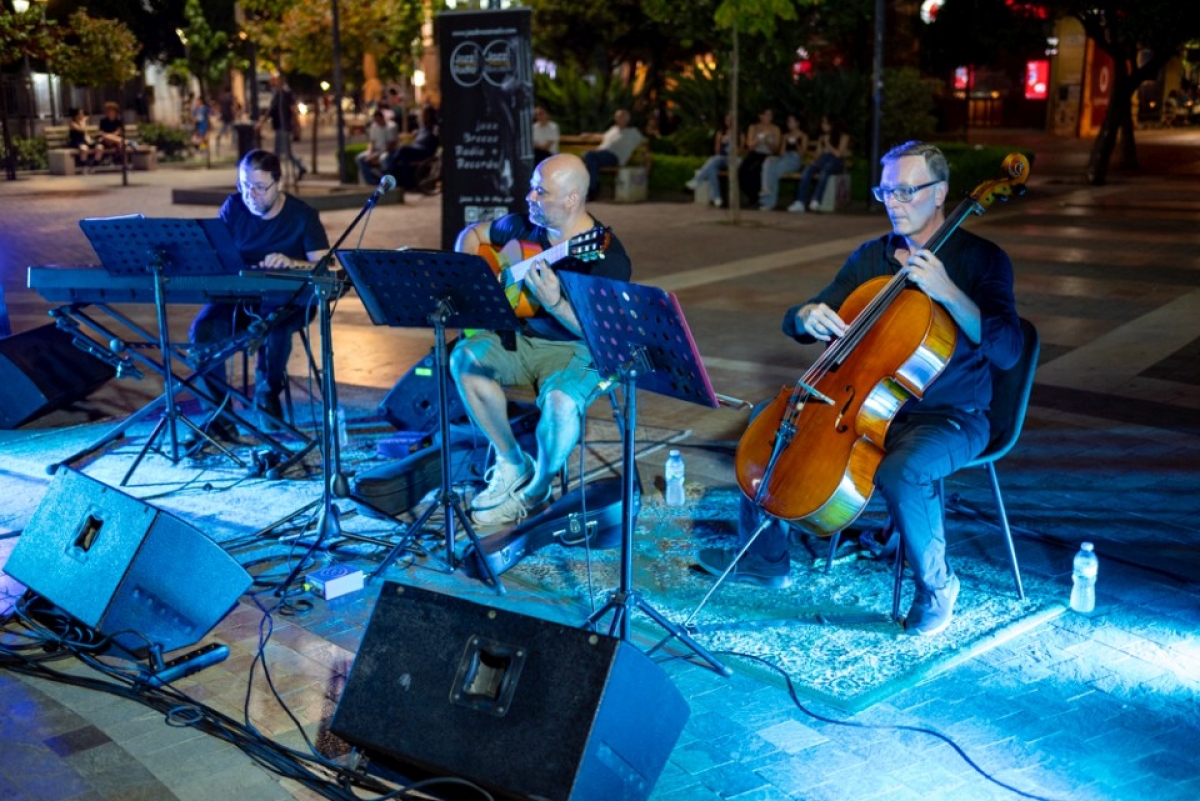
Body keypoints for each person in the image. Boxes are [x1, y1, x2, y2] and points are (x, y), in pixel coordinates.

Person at [697, 141, 1022, 637]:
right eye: (885, 189)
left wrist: (949, 293)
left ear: (940, 194)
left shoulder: (982, 260)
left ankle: (937, 586)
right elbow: (799, 318)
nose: (892, 201)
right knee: (772, 418)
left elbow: (1008, 350)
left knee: (903, 470)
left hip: (949, 415)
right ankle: (766, 559)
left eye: (906, 190)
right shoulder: (872, 256)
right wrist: (808, 315)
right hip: (863, 402)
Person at [449, 153, 632, 527]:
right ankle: (512, 461)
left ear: (571, 199)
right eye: (532, 187)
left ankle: (536, 490)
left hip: (578, 349)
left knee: (562, 403)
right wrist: (470, 268)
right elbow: (473, 233)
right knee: (464, 358)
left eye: (540, 191)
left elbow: (602, 336)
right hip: (521, 340)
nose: (529, 197)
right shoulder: (521, 226)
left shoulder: (605, 257)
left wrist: (556, 304)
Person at [188, 149, 329, 442]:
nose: (250, 194)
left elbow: (327, 266)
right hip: (239, 297)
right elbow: (217, 253)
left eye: (259, 187)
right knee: (203, 332)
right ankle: (219, 415)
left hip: (288, 300)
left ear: (278, 183)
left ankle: (268, 395)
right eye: (243, 185)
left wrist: (293, 263)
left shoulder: (302, 216)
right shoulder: (234, 207)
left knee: (273, 329)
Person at [788, 116, 851, 213]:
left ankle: (816, 200)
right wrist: (814, 159)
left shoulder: (843, 136)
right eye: (822, 123)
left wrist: (828, 145)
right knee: (807, 171)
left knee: (825, 170)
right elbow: (818, 154)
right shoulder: (822, 137)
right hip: (823, 160)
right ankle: (800, 202)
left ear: (832, 124)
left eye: (825, 123)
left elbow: (838, 154)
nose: (823, 125)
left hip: (836, 162)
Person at [582, 109, 644, 201]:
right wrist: (590, 135)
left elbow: (644, 142)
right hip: (601, 155)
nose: (618, 119)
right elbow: (603, 136)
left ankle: (593, 189)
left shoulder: (633, 132)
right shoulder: (613, 129)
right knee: (591, 161)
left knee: (589, 155)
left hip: (614, 157)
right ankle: (593, 189)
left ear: (627, 119)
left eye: (621, 117)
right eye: (617, 117)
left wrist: (646, 157)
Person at [257, 75, 307, 180]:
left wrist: (296, 125)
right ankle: (299, 168)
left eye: (274, 80)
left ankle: (276, 174)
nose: (272, 83)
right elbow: (271, 111)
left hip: (283, 126)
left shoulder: (285, 94)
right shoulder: (278, 94)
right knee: (284, 152)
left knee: (280, 153)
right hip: (280, 126)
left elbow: (291, 110)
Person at [759, 113, 808, 211]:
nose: (788, 124)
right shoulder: (785, 135)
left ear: (797, 123)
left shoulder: (803, 136)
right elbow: (781, 153)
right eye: (788, 122)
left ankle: (769, 201)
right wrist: (785, 142)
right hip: (784, 158)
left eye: (791, 121)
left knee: (774, 170)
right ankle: (766, 193)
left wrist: (796, 143)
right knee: (768, 162)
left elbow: (802, 154)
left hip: (794, 160)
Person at [685, 114, 733, 207]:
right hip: (721, 159)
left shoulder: (738, 133)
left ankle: (697, 181)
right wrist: (722, 141)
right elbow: (717, 151)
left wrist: (732, 142)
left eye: (730, 119)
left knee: (713, 161)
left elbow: (741, 150)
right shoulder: (720, 133)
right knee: (712, 169)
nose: (728, 121)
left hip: (733, 159)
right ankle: (717, 197)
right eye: (727, 119)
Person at [391, 103, 440, 192]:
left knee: (403, 149)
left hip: (424, 151)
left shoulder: (434, 127)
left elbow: (434, 141)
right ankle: (406, 183)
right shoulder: (423, 126)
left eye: (425, 114)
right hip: (417, 148)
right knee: (404, 159)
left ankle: (390, 170)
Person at [737, 108, 781, 203]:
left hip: (767, 155)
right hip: (754, 153)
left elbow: (776, 149)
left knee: (757, 170)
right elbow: (749, 145)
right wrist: (760, 140)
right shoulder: (753, 127)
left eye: (770, 115)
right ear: (760, 116)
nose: (768, 117)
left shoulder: (775, 129)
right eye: (766, 115)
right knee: (743, 170)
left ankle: (757, 197)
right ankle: (752, 195)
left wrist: (768, 142)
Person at [356, 109, 400, 185]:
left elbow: (391, 143)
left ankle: (388, 181)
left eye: (379, 120)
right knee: (360, 158)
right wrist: (370, 152)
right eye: (376, 120)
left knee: (383, 159)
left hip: (388, 151)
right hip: (376, 150)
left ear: (382, 118)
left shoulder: (391, 126)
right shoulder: (374, 126)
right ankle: (371, 181)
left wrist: (377, 155)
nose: (378, 122)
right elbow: (372, 141)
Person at [67, 108, 104, 173]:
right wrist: (83, 121)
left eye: (83, 114)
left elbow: (86, 134)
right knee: (84, 149)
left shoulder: (83, 123)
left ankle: (94, 166)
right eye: (81, 114)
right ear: (76, 115)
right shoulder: (72, 123)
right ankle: (84, 167)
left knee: (100, 147)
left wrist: (91, 140)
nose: (83, 115)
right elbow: (82, 129)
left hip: (86, 141)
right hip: (77, 142)